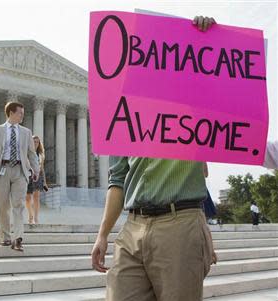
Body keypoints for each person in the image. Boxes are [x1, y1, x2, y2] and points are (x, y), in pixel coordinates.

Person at [91, 16, 218, 301]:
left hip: (179, 223)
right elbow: (117, 180)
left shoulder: (190, 99)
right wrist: (102, 235)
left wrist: (205, 39)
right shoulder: (121, 113)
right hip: (133, 226)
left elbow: (216, 85)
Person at [0, 101, 39, 252]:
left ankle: (18, 238)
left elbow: (31, 153)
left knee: (19, 205)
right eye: (20, 113)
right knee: (2, 206)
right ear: (11, 113)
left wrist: (36, 169)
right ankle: (6, 237)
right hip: (2, 169)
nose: (22, 115)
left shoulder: (26, 132)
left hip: (20, 171)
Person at [25, 136, 48, 224]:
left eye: (37, 142)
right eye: (34, 141)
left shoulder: (41, 155)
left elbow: (42, 169)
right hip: (28, 176)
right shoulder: (26, 152)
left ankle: (36, 218)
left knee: (36, 197)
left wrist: (45, 182)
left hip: (38, 177)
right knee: (27, 198)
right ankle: (30, 215)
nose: (35, 143)